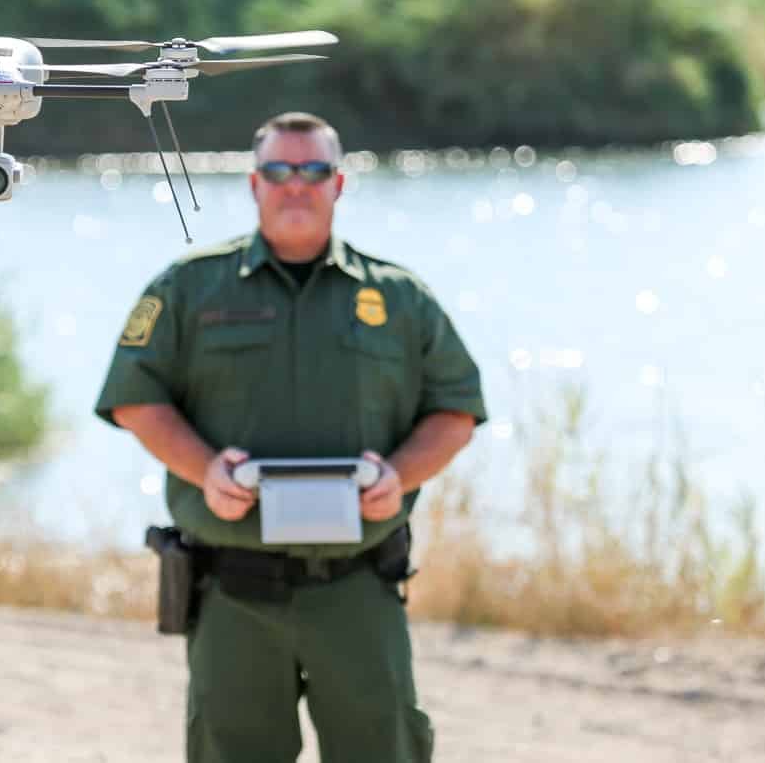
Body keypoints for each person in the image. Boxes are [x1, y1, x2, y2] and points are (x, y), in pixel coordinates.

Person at [94, 111, 486, 763]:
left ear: (339, 183)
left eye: (313, 171)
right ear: (254, 184)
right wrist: (204, 470)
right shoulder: (190, 286)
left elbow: (456, 410)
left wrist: (401, 476)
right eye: (278, 171)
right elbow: (136, 397)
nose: (295, 185)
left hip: (358, 590)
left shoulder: (399, 297)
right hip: (233, 594)